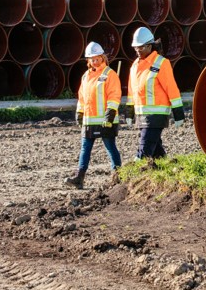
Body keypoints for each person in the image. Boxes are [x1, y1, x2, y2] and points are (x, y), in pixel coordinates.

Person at [64, 41, 122, 189]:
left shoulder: (110, 74)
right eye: (92, 59)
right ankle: (79, 178)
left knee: (110, 147)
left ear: (103, 58)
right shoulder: (86, 76)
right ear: (88, 60)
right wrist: (80, 111)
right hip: (89, 120)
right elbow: (82, 97)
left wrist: (110, 115)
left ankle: (118, 177)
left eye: (97, 58)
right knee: (85, 148)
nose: (95, 61)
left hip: (106, 120)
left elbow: (114, 96)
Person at [125, 27, 185, 162]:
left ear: (149, 46)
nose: (137, 51)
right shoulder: (134, 66)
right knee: (157, 154)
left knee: (143, 152)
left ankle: (131, 177)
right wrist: (129, 111)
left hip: (156, 117)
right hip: (142, 117)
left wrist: (178, 113)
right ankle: (168, 174)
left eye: (140, 47)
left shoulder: (161, 63)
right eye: (135, 48)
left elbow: (172, 89)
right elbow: (132, 91)